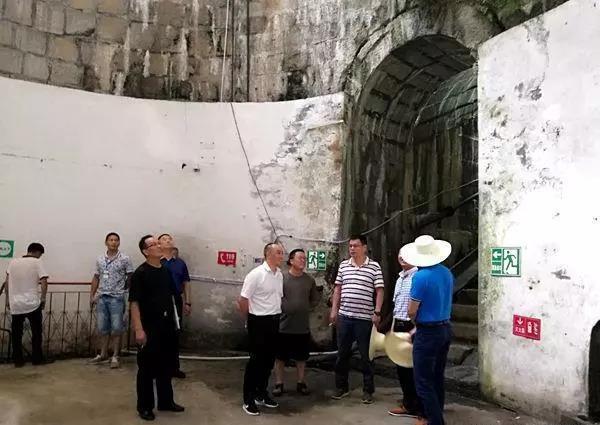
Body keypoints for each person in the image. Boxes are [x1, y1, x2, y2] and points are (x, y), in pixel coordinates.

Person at [129, 235, 184, 421]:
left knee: (166, 365)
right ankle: (145, 406)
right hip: (148, 327)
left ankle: (165, 401)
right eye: (154, 244)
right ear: (146, 251)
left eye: (158, 242)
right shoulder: (140, 273)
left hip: (166, 326)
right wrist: (139, 329)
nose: (159, 245)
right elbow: (134, 303)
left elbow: (172, 297)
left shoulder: (165, 271)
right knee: (146, 368)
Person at [402, 235, 453, 425]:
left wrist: (415, 324)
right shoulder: (447, 273)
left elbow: (411, 310)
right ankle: (437, 414)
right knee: (437, 376)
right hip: (445, 327)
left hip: (428, 332)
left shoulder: (420, 277)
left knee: (423, 382)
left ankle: (435, 421)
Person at [329, 234, 384, 404]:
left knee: (366, 356)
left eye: (356, 246)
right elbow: (337, 289)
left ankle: (368, 390)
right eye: (350, 246)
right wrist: (334, 310)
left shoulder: (374, 267)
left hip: (364, 319)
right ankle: (341, 387)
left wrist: (377, 312)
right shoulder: (344, 266)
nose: (352, 249)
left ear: (364, 247)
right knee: (342, 354)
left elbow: (379, 291)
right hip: (345, 317)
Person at [237, 242, 284, 416]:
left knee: (268, 361)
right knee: (256, 362)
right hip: (258, 321)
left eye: (282, 253)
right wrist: (249, 319)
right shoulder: (256, 275)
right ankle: (248, 399)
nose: (282, 256)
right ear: (268, 254)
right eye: (278, 253)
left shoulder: (279, 274)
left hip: (274, 320)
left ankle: (261, 393)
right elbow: (243, 300)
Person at [272, 249, 320, 396]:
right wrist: (284, 307)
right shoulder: (281, 278)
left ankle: (301, 382)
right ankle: (279, 383)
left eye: (305, 258)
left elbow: (314, 299)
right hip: (283, 325)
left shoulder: (309, 280)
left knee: (301, 357)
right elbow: (275, 296)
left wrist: (305, 307)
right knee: (280, 357)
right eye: (300, 258)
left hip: (302, 325)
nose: (303, 261)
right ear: (291, 261)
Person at [89, 232, 134, 368]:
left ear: (119, 242)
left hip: (117, 297)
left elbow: (130, 276)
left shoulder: (125, 258)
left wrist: (124, 289)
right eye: (111, 240)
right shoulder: (100, 259)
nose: (113, 242)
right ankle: (103, 353)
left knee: (116, 327)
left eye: (116, 240)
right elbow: (96, 277)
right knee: (102, 327)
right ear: (106, 242)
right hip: (102, 296)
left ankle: (115, 355)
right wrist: (92, 295)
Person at [387, 253, 423, 418]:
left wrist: (416, 328)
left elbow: (418, 306)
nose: (402, 257)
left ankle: (417, 406)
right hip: (399, 323)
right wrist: (393, 327)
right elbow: (397, 306)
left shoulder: (417, 277)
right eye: (400, 254)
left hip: (412, 325)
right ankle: (408, 402)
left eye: (406, 255)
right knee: (401, 366)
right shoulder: (400, 278)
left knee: (413, 367)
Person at [5, 242, 50, 367]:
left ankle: (18, 360)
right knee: (36, 332)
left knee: (16, 334)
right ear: (37, 252)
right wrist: (43, 298)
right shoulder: (37, 262)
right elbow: (44, 281)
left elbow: (7, 282)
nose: (40, 257)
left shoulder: (13, 262)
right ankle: (37, 359)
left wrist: (8, 299)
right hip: (32, 304)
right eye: (40, 254)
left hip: (16, 304)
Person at [158, 234, 190, 379]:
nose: (168, 240)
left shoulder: (180, 263)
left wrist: (188, 302)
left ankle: (174, 368)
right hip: (159, 300)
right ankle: (158, 367)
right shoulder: (157, 262)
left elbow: (186, 283)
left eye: (169, 239)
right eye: (164, 239)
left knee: (174, 334)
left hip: (175, 300)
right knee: (159, 334)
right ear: (159, 244)